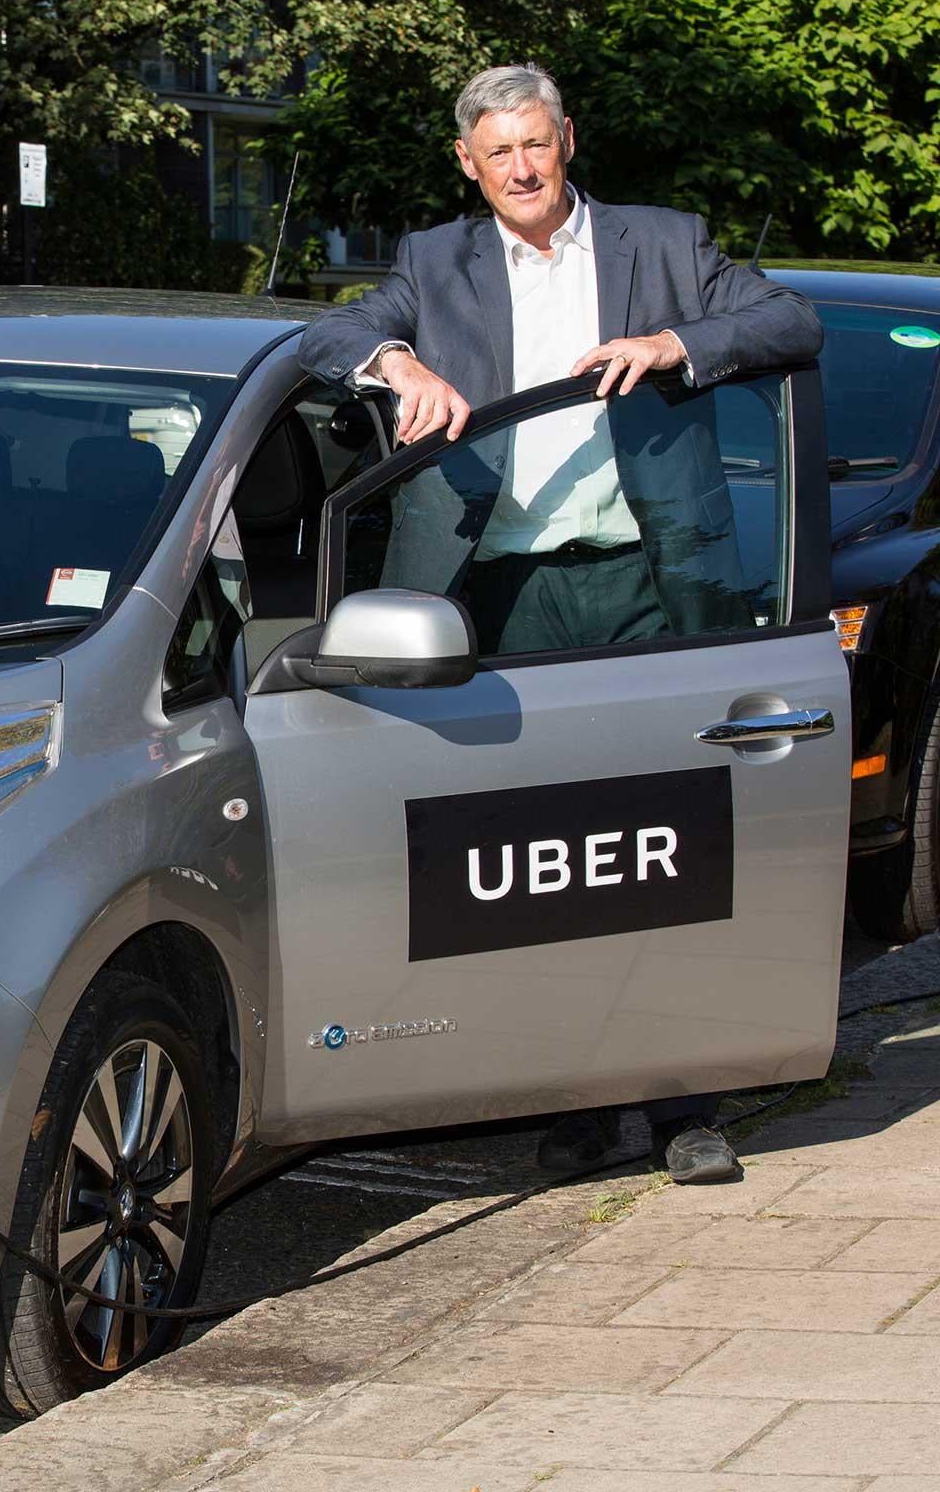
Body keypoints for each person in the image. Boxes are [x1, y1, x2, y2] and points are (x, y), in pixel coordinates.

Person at [298, 62, 823, 1185]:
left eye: (535, 144)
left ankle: (689, 1101)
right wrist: (394, 364)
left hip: (650, 578)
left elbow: (788, 319)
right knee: (530, 858)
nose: (521, 168)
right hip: (496, 594)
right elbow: (327, 334)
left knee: (669, 845)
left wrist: (676, 347)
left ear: (566, 139)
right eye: (498, 153)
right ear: (467, 164)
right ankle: (572, 1099)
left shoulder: (663, 243)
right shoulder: (431, 261)